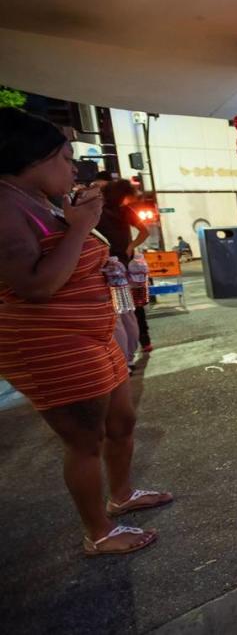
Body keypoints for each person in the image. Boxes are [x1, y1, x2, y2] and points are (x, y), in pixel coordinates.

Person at [0, 108, 171, 556]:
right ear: (30, 158)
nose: (72, 167)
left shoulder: (41, 200)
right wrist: (80, 229)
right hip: (52, 342)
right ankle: (98, 533)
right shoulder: (4, 206)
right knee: (84, 439)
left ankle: (122, 494)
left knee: (122, 421)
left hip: (91, 333)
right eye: (63, 157)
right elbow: (36, 286)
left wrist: (86, 236)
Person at [97, 179, 150, 364]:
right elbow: (145, 231)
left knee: (117, 316)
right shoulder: (124, 211)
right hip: (123, 268)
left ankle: (125, 359)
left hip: (107, 269)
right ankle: (130, 354)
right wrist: (130, 246)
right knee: (128, 312)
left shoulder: (97, 211)